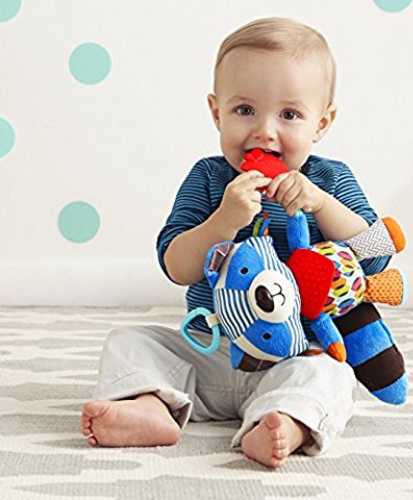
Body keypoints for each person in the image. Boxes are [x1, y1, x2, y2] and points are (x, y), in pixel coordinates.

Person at [80, 16, 390, 469]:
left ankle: (285, 421)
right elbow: (175, 265)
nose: (264, 131)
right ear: (216, 112)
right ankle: (151, 406)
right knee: (129, 341)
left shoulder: (329, 180)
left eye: (289, 115)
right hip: (209, 351)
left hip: (292, 355)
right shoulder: (209, 178)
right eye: (245, 110)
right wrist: (222, 222)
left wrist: (322, 205)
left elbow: (378, 257)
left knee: (333, 373)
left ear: (322, 122)